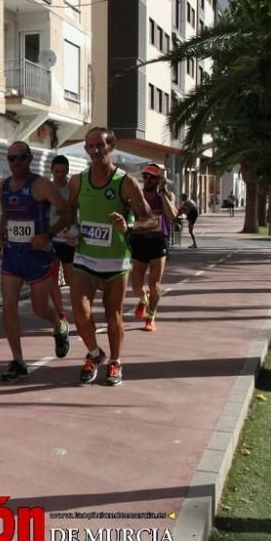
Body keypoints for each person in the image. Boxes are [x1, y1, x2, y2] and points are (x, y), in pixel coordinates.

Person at [66, 127, 153, 386]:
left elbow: (150, 219)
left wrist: (129, 227)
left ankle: (115, 361)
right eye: (90, 146)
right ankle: (95, 353)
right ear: (86, 149)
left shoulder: (125, 182)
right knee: (80, 313)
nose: (95, 150)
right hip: (85, 258)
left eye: (100, 146)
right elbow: (71, 213)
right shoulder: (77, 181)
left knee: (113, 315)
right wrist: (70, 231)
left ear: (110, 147)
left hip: (115, 261)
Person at [0, 141, 74, 382]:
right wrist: (0, 239)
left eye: (20, 157)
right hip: (13, 255)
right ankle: (18, 361)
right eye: (11, 158)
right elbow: (6, 215)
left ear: (29, 159)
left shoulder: (41, 185)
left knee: (40, 308)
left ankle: (59, 325)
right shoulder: (2, 187)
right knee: (9, 306)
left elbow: (68, 212)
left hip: (38, 256)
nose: (16, 162)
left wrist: (48, 235)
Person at [129, 163, 178, 332]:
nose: (148, 180)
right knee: (135, 285)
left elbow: (172, 215)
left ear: (158, 180)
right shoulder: (138, 195)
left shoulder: (167, 195)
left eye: (152, 177)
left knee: (154, 283)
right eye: (145, 176)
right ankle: (143, 298)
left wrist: (163, 193)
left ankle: (151, 317)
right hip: (140, 240)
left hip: (158, 242)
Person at [48, 155, 74, 330]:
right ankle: (61, 313)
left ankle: (78, 309)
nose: (60, 175)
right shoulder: (45, 188)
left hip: (68, 240)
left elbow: (76, 213)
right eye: (57, 171)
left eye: (63, 172)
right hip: (50, 240)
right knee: (51, 280)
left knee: (72, 280)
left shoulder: (72, 189)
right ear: (52, 170)